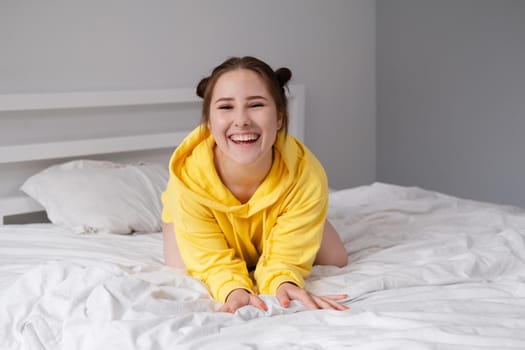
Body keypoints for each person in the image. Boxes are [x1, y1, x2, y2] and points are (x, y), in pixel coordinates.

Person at [161, 56, 348, 313]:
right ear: (209, 122)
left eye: (256, 105)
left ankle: (294, 225)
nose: (242, 120)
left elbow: (288, 264)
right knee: (179, 263)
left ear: (280, 118)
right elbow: (213, 263)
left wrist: (283, 279)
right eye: (226, 107)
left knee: (336, 259)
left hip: (273, 216)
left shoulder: (305, 172)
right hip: (211, 222)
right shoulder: (189, 179)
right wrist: (234, 289)